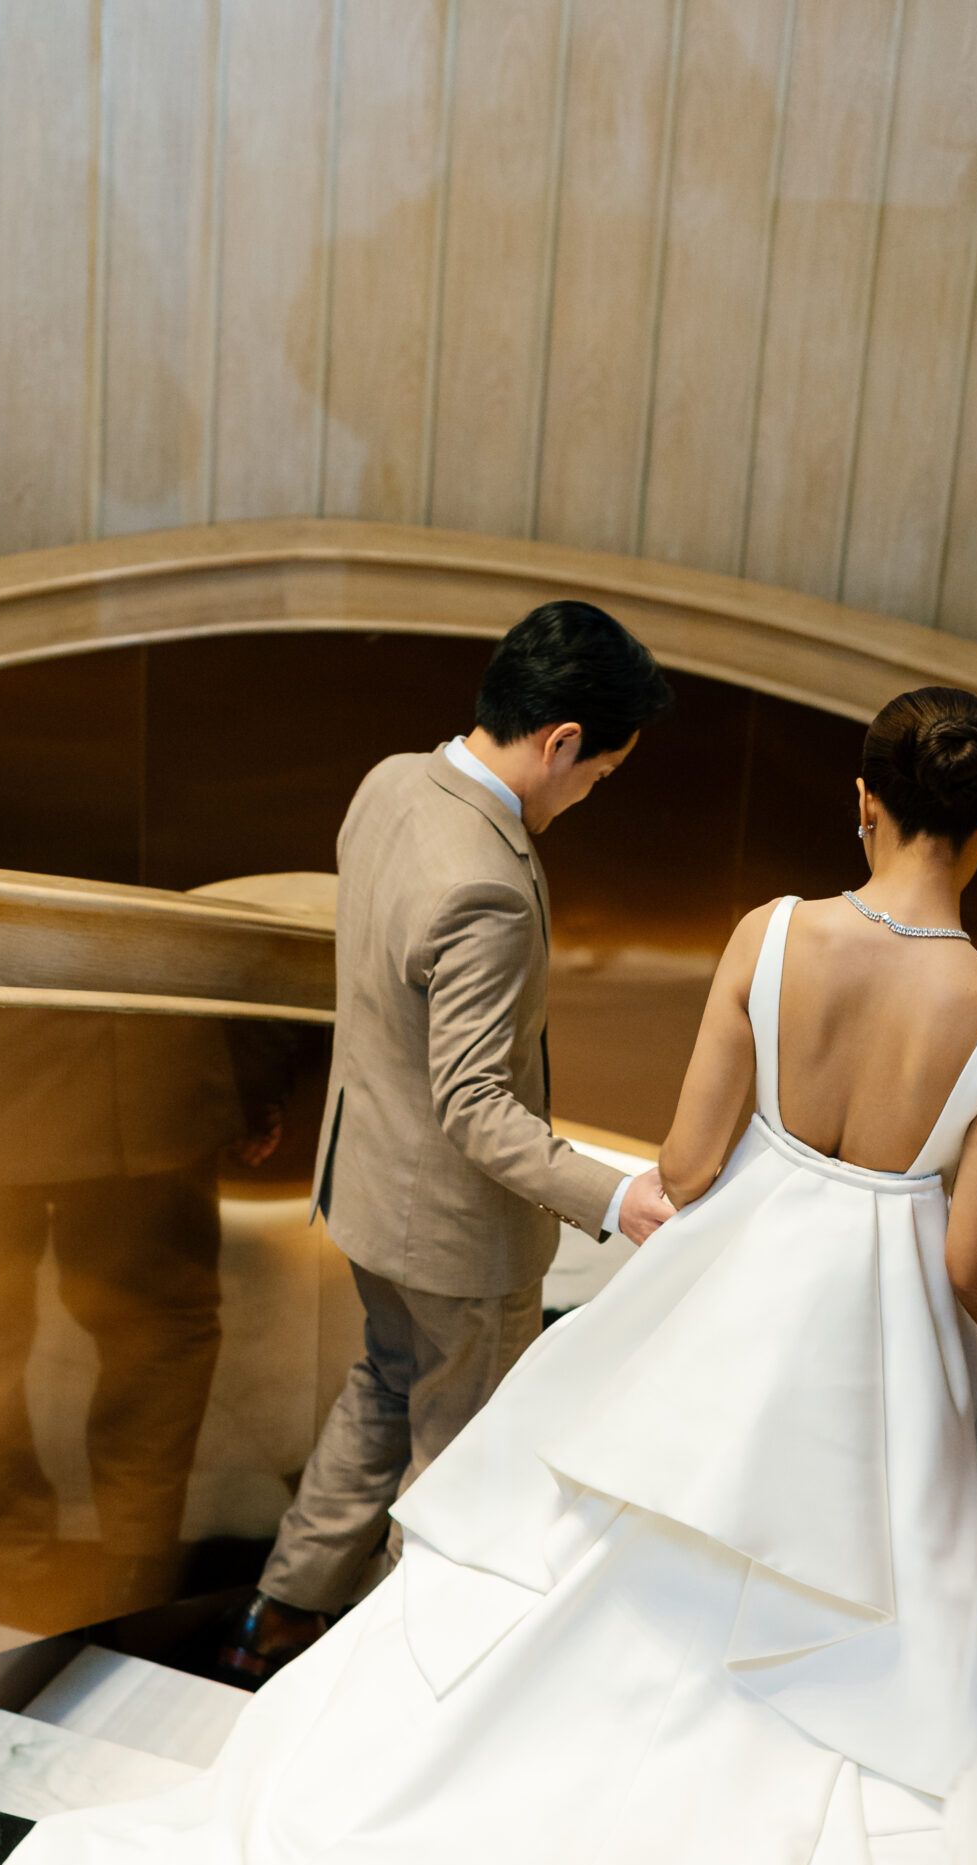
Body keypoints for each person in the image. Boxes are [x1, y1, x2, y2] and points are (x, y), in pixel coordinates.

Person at [5, 687, 977, 1865]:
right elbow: (970, 1258)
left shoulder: (769, 937)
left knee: (585, 1578)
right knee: (850, 1630)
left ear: (863, 803)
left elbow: (688, 1161)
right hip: (875, 1358)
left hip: (728, 1304)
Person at [216, 601, 676, 1686]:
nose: (591, 794)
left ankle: (277, 1617)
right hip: (457, 1240)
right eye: (602, 773)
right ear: (562, 741)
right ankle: (388, 1686)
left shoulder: (389, 784)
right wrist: (616, 1198)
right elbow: (475, 1105)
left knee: (383, 1385)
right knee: (460, 1471)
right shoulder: (490, 885)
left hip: (365, 1190)